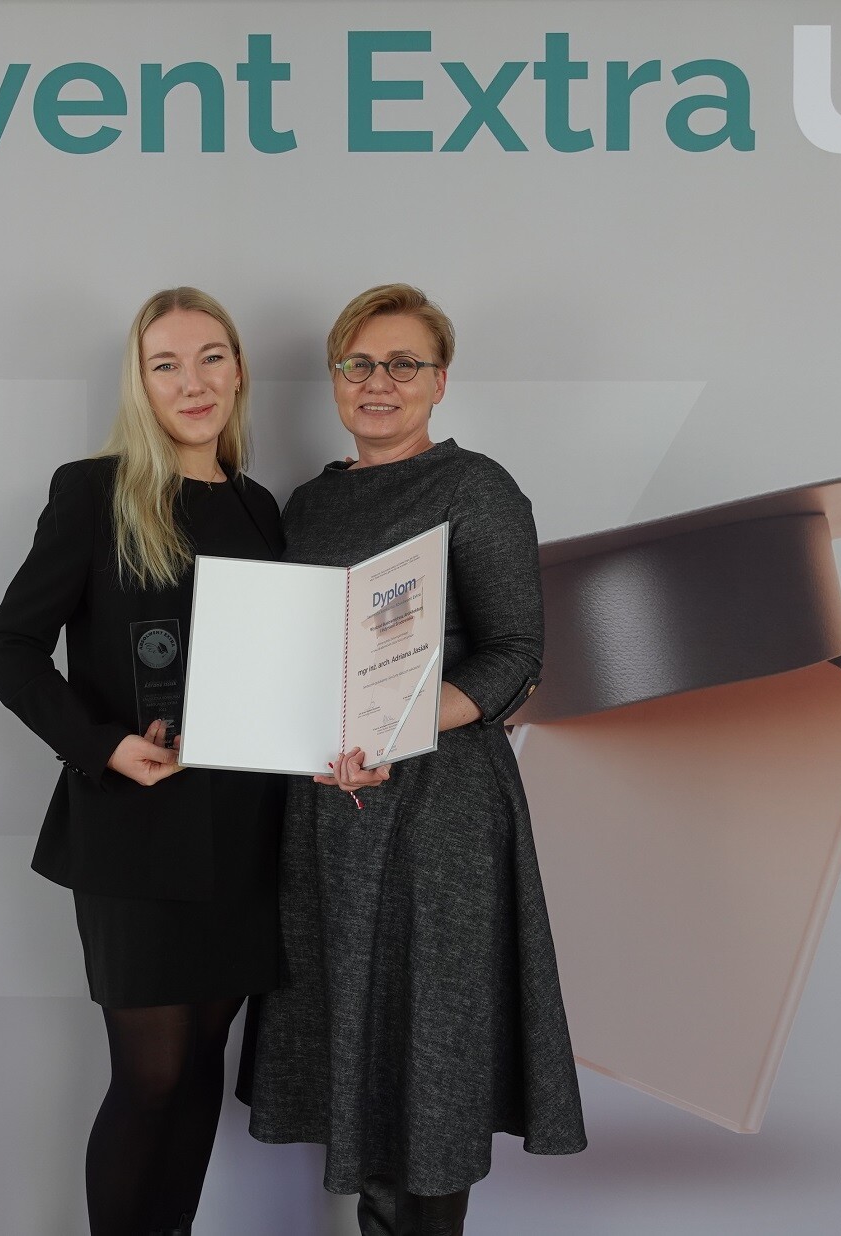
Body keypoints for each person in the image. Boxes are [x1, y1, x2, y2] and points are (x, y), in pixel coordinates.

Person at [239, 284, 587, 1235]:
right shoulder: (308, 503)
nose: (378, 382)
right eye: (358, 364)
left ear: (440, 381)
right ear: (335, 378)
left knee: (432, 1063)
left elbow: (516, 653)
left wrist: (396, 727)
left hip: (441, 820)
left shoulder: (476, 488)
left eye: (403, 364)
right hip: (330, 816)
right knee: (362, 1055)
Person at [0, 288, 285, 1236]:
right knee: (150, 1075)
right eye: (166, 364)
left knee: (200, 1070)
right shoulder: (95, 491)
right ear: (140, 384)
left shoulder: (260, 507)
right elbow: (9, 647)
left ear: (239, 371)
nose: (193, 382)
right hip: (134, 826)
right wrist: (103, 743)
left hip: (245, 832)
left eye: (211, 357)